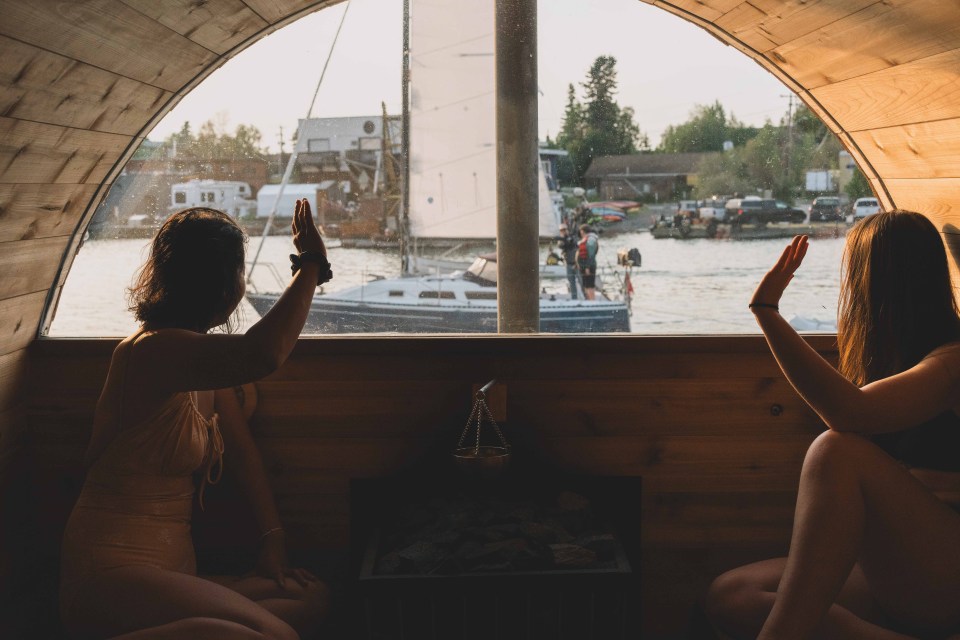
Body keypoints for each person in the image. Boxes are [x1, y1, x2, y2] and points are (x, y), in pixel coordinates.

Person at [59, 201, 331, 639]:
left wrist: (273, 540)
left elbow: (243, 453)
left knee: (309, 598)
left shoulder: (202, 361)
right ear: (220, 285)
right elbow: (263, 354)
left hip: (172, 574)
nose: (243, 284)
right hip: (109, 574)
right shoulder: (149, 351)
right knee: (279, 635)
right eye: (240, 272)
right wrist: (312, 263)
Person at [705, 210, 960, 639]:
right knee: (733, 597)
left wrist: (767, 311)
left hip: (944, 567)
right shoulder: (895, 361)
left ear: (876, 282)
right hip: (899, 563)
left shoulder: (952, 360)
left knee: (835, 451)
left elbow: (849, 412)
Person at [557, 222, 580, 299]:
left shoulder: (573, 236)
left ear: (567, 229)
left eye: (564, 229)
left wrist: (569, 239)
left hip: (577, 264)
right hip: (568, 264)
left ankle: (587, 299)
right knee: (571, 283)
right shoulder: (561, 240)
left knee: (581, 281)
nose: (563, 231)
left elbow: (575, 242)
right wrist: (564, 239)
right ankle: (574, 299)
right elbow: (561, 246)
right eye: (561, 230)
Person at [577, 224, 599, 300]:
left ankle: (592, 301)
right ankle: (589, 300)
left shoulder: (591, 240)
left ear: (583, 231)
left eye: (581, 231)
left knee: (590, 285)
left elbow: (591, 255)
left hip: (589, 267)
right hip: (584, 266)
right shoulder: (586, 239)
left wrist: (587, 267)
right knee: (586, 285)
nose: (580, 233)